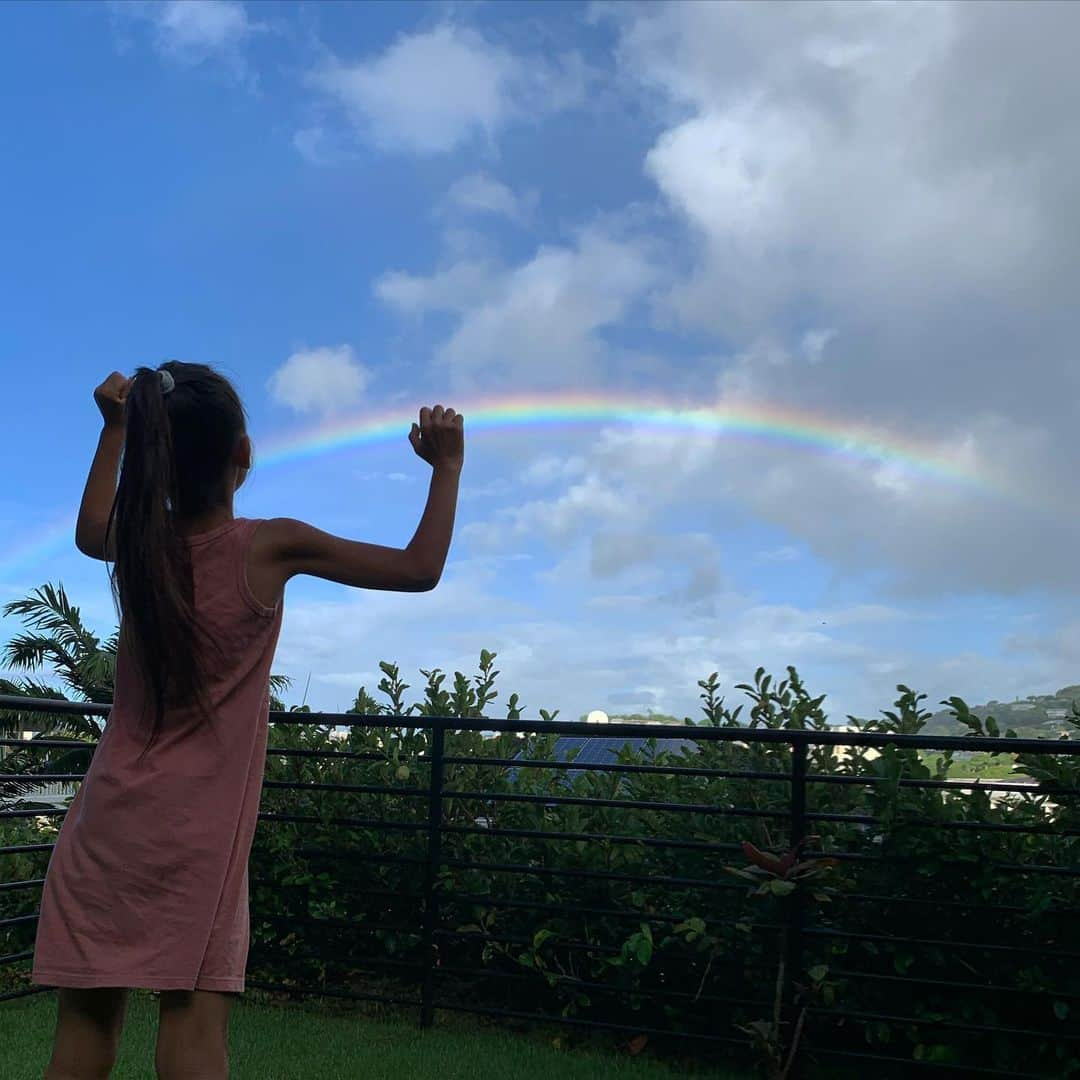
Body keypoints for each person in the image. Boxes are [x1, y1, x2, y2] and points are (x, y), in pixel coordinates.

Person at [31, 361, 464, 1080]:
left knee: (81, 1040)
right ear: (243, 455)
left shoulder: (144, 547)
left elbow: (89, 530)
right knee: (194, 1042)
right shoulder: (269, 545)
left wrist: (112, 432)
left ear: (158, 459)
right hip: (196, 843)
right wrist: (445, 466)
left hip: (101, 825)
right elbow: (419, 568)